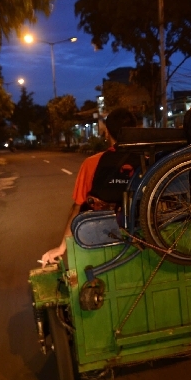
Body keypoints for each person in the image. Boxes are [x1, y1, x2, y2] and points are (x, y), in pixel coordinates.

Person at [41, 108, 138, 266]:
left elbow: (77, 208)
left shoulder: (92, 163)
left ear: (107, 132)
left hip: (98, 235)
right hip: (140, 232)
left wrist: (62, 247)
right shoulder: (149, 161)